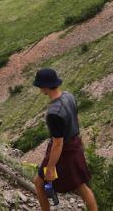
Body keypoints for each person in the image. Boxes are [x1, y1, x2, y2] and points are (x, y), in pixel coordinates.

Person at [32, 68, 97, 211]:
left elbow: (58, 143)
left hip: (64, 151)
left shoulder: (53, 113)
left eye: (39, 85)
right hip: (75, 145)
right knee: (82, 187)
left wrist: (50, 169)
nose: (39, 88)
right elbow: (75, 118)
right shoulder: (69, 96)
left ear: (45, 86)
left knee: (39, 182)